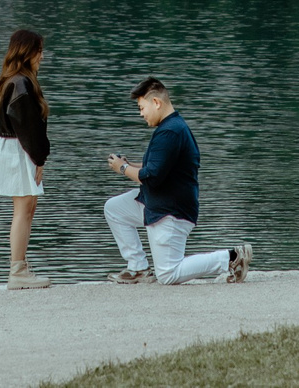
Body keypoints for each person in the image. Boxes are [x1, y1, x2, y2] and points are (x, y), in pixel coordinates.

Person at [102, 77, 248, 285]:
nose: (141, 113)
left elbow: (152, 177)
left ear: (156, 103)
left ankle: (232, 258)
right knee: (114, 209)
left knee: (168, 274)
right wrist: (129, 164)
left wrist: (123, 169)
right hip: (155, 202)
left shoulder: (170, 132)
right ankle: (138, 268)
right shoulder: (171, 127)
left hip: (170, 211)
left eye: (142, 107)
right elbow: (156, 168)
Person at [0, 28, 52, 288]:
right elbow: (29, 127)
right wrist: (39, 158)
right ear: (27, 52)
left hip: (17, 148)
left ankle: (20, 267)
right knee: (23, 209)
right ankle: (17, 270)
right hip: (18, 149)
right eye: (39, 51)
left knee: (27, 209)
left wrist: (38, 155)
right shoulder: (21, 82)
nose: (42, 56)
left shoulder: (16, 80)